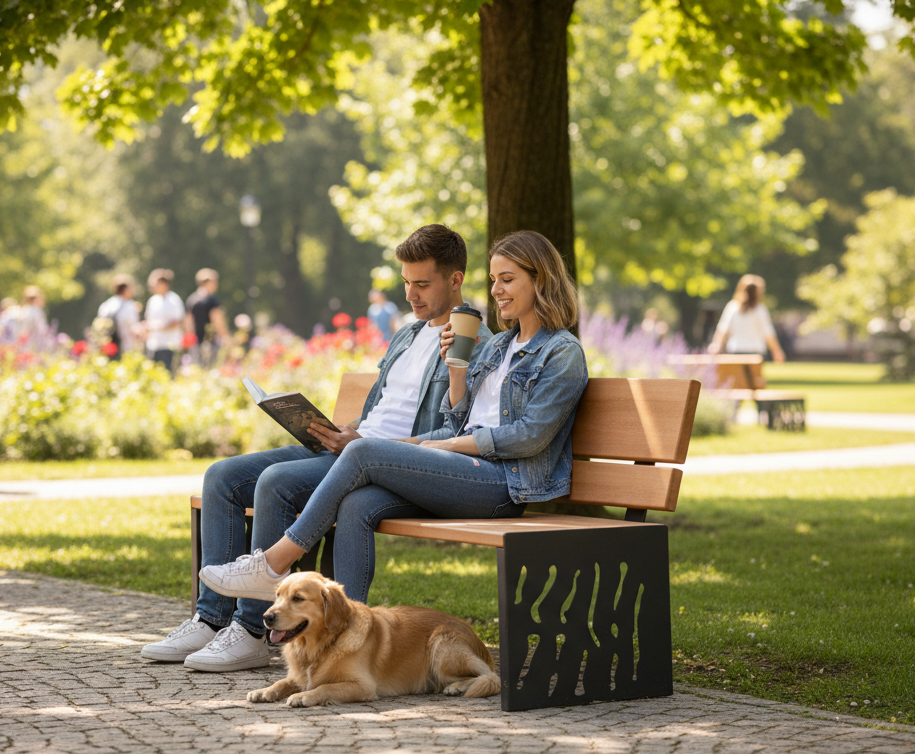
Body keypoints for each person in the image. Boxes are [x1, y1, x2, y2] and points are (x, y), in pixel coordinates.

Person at [199, 230, 589, 645]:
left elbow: (529, 437)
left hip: (504, 484)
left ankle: (274, 565)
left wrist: (445, 445)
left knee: (361, 452)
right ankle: (347, 644)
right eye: (494, 279)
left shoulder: (561, 351)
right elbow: (458, 420)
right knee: (357, 503)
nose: (496, 291)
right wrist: (456, 372)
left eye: (507, 279)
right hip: (461, 468)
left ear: (540, 279)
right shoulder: (500, 347)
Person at [140, 224, 493, 672]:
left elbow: (456, 429)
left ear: (456, 279)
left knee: (277, 482)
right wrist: (341, 429)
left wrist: (363, 441)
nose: (411, 295)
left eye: (422, 284)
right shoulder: (407, 334)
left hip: (386, 462)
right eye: (405, 283)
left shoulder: (474, 340)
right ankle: (211, 618)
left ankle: (251, 631)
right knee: (222, 477)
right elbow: (382, 407)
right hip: (350, 446)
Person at [708, 274, 786, 362]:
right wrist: (777, 351)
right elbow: (769, 333)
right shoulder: (760, 310)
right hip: (756, 351)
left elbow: (723, 329)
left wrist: (716, 345)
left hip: (736, 350)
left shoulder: (733, 307)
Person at [143, 269, 185, 376]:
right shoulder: (152, 301)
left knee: (168, 375)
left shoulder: (173, 300)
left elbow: (175, 323)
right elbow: (148, 321)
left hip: (168, 345)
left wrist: (155, 327)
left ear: (163, 284)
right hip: (153, 345)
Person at [185, 268, 229, 366]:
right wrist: (226, 337)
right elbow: (217, 321)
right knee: (212, 368)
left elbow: (188, 323)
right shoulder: (212, 300)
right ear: (208, 282)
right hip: (212, 343)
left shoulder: (191, 299)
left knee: (198, 369)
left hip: (196, 344)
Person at [96, 274, 141, 360]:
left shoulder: (106, 305)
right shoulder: (130, 305)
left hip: (108, 347)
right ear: (126, 289)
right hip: (126, 347)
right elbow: (134, 328)